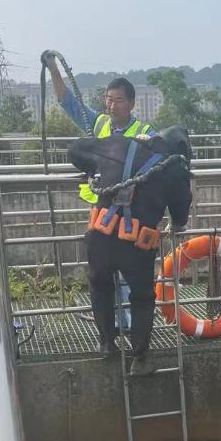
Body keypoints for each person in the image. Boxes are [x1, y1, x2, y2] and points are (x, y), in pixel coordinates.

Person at [68, 126, 193, 375]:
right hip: (137, 246)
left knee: (100, 286)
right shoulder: (175, 168)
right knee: (142, 297)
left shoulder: (117, 144)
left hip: (101, 238)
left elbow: (75, 150)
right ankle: (140, 358)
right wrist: (175, 223)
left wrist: (95, 170)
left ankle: (107, 343)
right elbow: (181, 214)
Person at [42, 57, 154, 330]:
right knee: (103, 270)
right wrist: (54, 70)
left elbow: (160, 161)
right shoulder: (99, 124)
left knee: (128, 270)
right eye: (108, 99)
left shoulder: (144, 133)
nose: (111, 105)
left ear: (131, 104)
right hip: (102, 212)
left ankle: (128, 323)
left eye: (118, 100)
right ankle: (112, 324)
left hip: (131, 214)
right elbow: (68, 102)